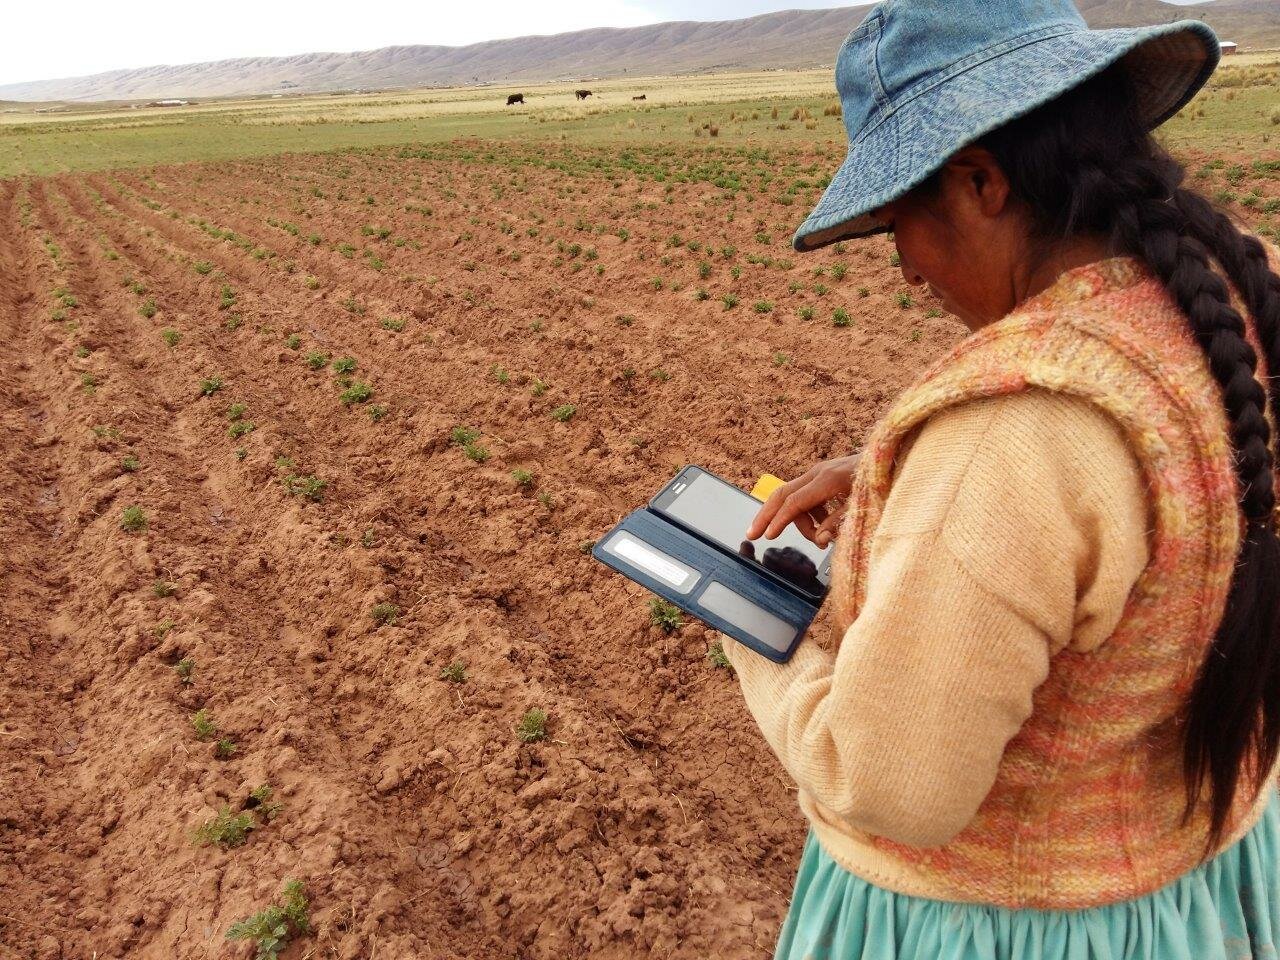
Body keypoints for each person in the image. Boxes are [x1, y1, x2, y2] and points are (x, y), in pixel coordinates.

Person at [725, 1, 1280, 957]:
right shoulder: (1234, 300)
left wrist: (752, 635)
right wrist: (893, 483)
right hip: (1202, 887)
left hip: (1018, 926)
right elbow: (1171, 496)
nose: (904, 271)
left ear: (981, 181)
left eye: (898, 223)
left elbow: (893, 785)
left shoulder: (1011, 440)